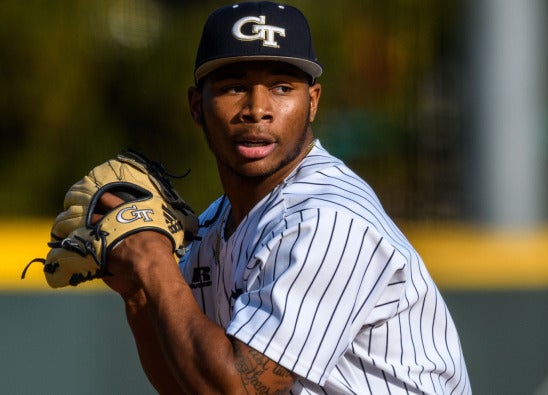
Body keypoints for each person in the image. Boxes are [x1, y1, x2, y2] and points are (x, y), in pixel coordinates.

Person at [96, 2, 471, 393]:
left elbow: (237, 388)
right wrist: (138, 292)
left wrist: (154, 261)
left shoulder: (328, 220)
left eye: (281, 87)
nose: (257, 109)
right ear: (196, 106)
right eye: (234, 87)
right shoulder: (216, 225)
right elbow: (190, 384)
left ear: (312, 102)